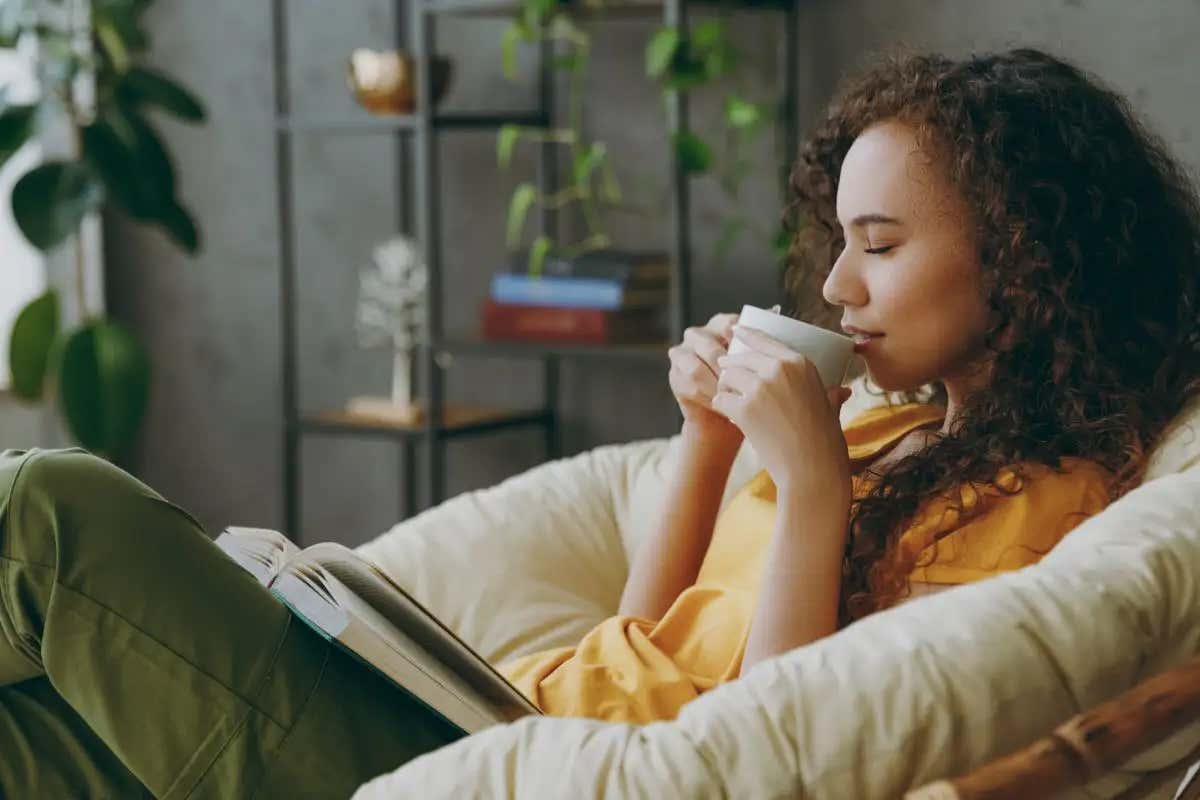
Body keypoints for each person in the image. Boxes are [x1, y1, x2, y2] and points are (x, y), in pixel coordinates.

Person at [1, 47, 1197, 798]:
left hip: (465, 768)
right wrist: (708, 446)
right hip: (505, 720)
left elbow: (789, 749)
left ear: (1028, 257)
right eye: (838, 242)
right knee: (28, 734)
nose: (835, 286)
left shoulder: (1043, 500)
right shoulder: (890, 429)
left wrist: (812, 485)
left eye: (879, 246)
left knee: (51, 510)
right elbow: (643, 637)